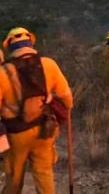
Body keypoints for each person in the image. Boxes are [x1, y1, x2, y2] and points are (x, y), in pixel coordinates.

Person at [0, 27, 73, 194]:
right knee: (44, 174)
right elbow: (66, 95)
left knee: (14, 179)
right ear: (31, 42)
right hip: (45, 129)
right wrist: (68, 107)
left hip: (15, 135)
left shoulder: (3, 73)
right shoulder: (49, 64)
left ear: (10, 47)